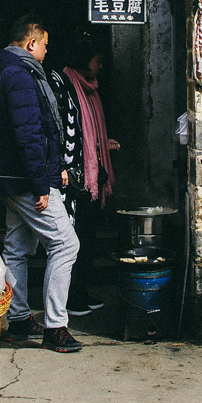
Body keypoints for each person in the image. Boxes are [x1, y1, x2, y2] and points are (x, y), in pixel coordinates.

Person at [0, 16, 82, 353]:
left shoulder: (4, 70)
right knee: (66, 244)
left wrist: (55, 171)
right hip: (26, 181)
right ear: (31, 43)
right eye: (45, 46)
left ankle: (19, 320)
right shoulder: (19, 75)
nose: (46, 53)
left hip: (14, 178)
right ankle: (56, 326)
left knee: (17, 249)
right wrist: (42, 183)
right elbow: (29, 134)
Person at [50, 30, 119, 317]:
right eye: (96, 60)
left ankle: (81, 291)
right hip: (73, 178)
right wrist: (62, 166)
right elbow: (60, 129)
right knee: (74, 239)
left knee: (88, 237)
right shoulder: (62, 84)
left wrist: (102, 145)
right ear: (82, 59)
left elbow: (90, 132)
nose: (100, 66)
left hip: (92, 174)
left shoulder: (90, 88)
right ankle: (72, 298)